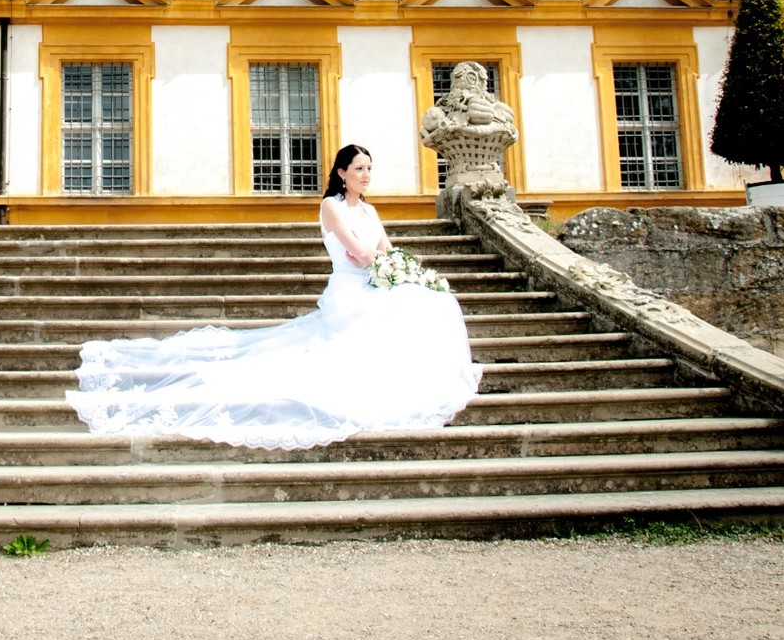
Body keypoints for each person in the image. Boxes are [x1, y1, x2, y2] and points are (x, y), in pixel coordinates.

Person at [65, 144, 481, 450]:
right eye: (358, 168)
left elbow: (386, 249)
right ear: (340, 173)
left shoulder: (370, 210)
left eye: (369, 168)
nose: (366, 175)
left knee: (431, 301)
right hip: (349, 288)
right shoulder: (332, 208)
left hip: (372, 281)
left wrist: (405, 271)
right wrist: (385, 267)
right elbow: (357, 252)